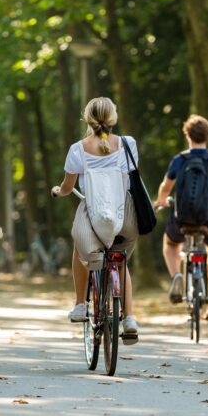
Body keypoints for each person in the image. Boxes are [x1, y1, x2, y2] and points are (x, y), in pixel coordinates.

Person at [51, 96, 139, 341]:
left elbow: (68, 187)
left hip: (93, 216)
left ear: (87, 119)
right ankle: (129, 318)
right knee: (120, 260)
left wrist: (59, 191)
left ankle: (80, 304)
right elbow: (129, 179)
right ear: (113, 117)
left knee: (80, 247)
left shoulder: (78, 149)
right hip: (124, 218)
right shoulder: (129, 144)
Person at [154, 114, 208, 320]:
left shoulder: (180, 160)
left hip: (182, 220)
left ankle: (177, 275)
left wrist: (161, 201)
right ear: (207, 135)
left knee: (170, 245)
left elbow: (166, 187)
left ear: (187, 135)